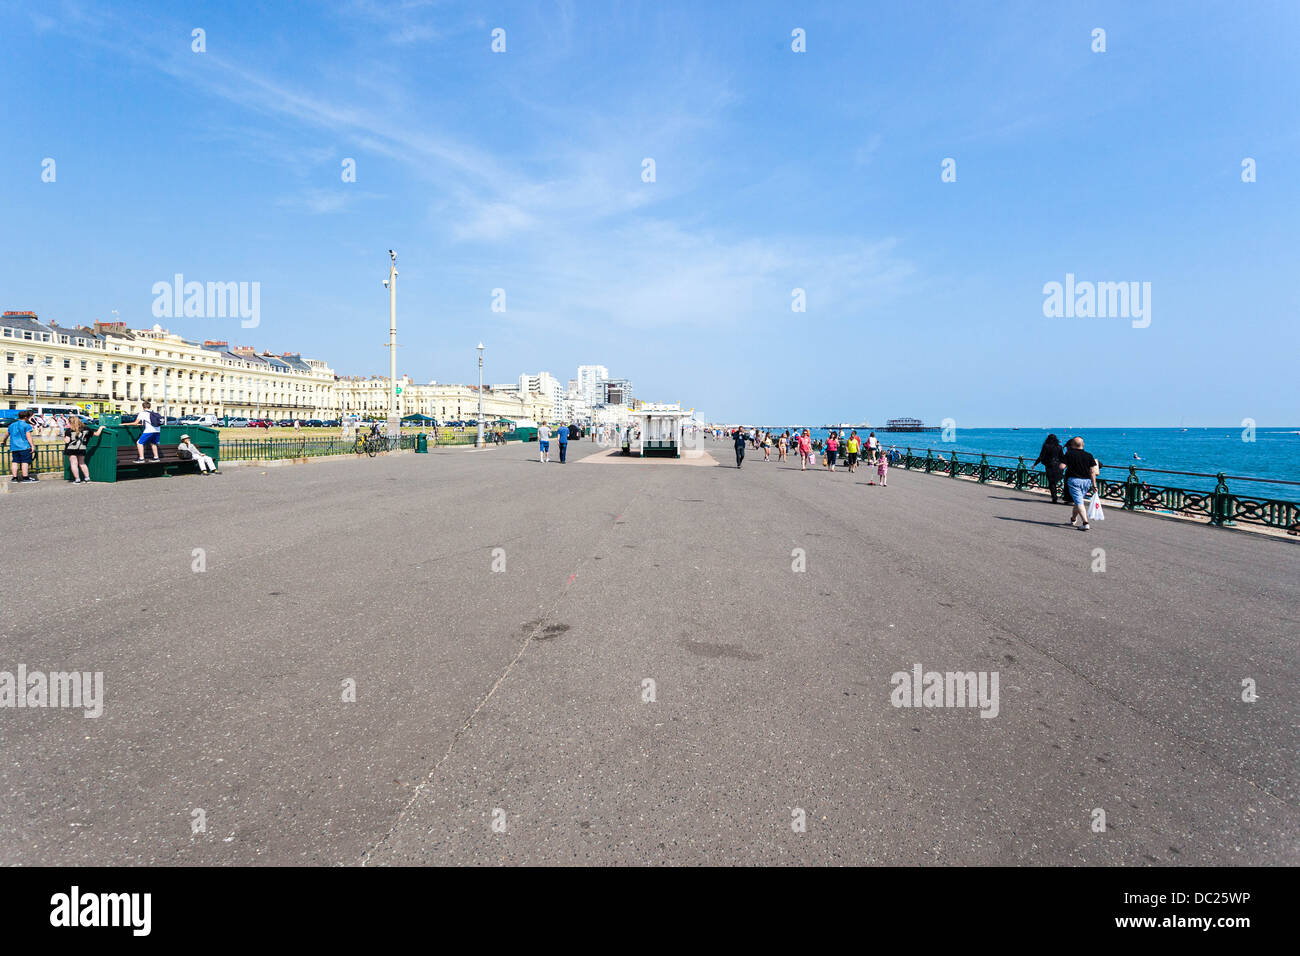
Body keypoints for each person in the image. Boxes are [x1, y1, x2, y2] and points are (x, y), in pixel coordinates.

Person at [1062, 436, 1099, 531]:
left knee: (1079, 502)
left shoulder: (1069, 454)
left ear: (1072, 445)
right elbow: (1093, 471)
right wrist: (1094, 485)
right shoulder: (1089, 455)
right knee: (1078, 501)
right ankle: (1073, 519)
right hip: (1087, 481)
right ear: (1083, 445)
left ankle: (1085, 523)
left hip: (1074, 480)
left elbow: (1062, 466)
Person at [64, 416, 106, 483]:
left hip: (71, 449)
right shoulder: (86, 429)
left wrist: (64, 436)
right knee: (82, 463)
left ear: (70, 422)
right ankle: (87, 478)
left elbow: (67, 441)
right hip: (81, 448)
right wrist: (100, 428)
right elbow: (97, 434)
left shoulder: (69, 430)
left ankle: (77, 479)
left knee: (74, 464)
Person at [2, 410, 39, 483]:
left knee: (15, 461)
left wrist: (4, 441)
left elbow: (6, 435)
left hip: (14, 447)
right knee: (25, 462)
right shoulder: (26, 425)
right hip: (24, 446)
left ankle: (14, 478)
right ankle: (25, 477)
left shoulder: (12, 425)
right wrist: (32, 446)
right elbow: (28, 437)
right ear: (25, 417)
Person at [1033, 434, 1067, 504]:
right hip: (1058, 466)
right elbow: (1062, 457)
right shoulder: (1059, 447)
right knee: (1057, 481)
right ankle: (1061, 494)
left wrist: (1035, 464)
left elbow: (1041, 456)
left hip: (1050, 466)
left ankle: (1054, 497)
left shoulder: (1046, 446)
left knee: (1052, 483)